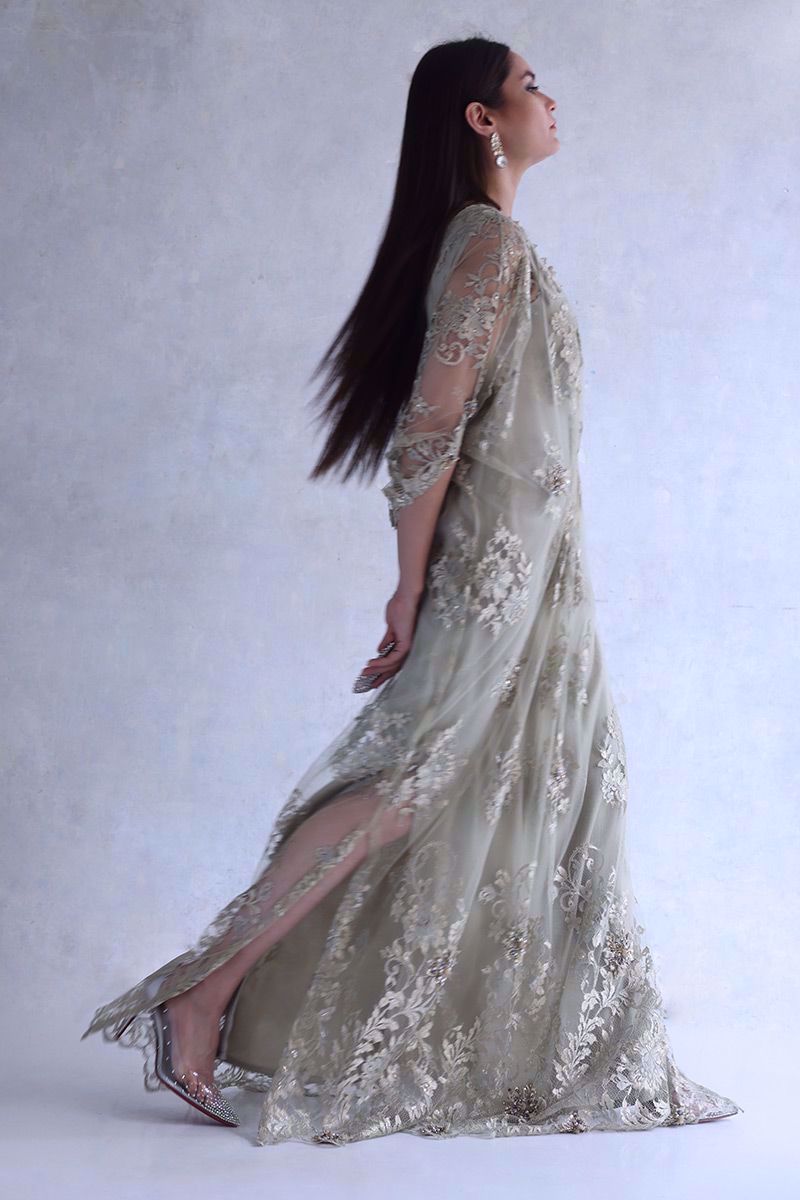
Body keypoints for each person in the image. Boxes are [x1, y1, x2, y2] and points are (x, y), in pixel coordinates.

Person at [81, 36, 743, 1145]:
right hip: (493, 570)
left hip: (537, 571)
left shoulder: (490, 242)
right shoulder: (482, 243)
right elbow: (428, 428)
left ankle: (408, 1030)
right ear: (482, 119)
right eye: (528, 84)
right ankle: (201, 991)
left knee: (500, 785)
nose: (549, 98)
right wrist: (409, 587)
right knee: (410, 779)